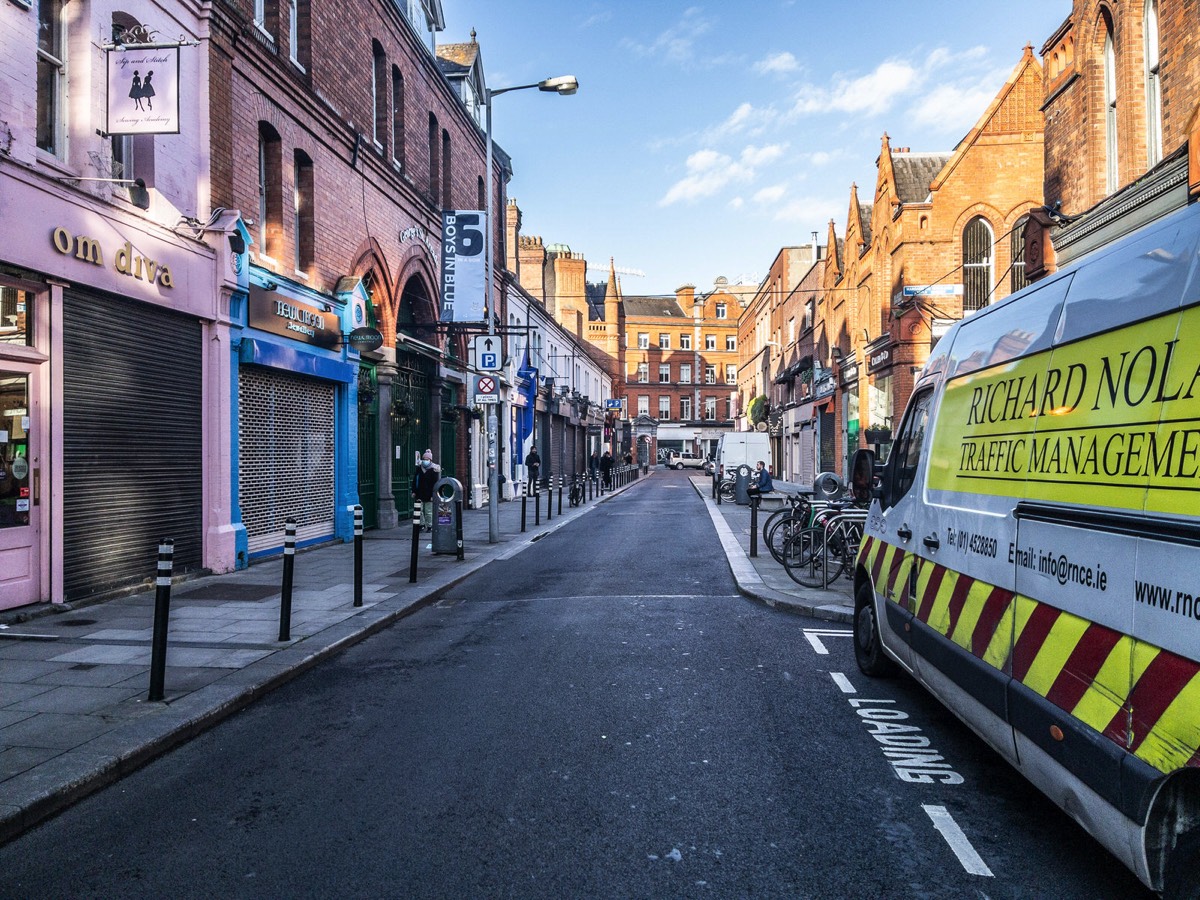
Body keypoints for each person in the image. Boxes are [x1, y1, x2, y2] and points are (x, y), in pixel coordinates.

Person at [411, 449, 440, 532]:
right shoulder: (419, 469)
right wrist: (414, 491)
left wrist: (433, 495)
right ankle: (421, 525)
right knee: (419, 511)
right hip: (419, 493)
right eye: (424, 459)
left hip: (428, 494)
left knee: (428, 511)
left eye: (427, 459)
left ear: (430, 460)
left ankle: (429, 526)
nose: (425, 461)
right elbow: (415, 480)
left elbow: (435, 484)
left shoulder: (434, 470)